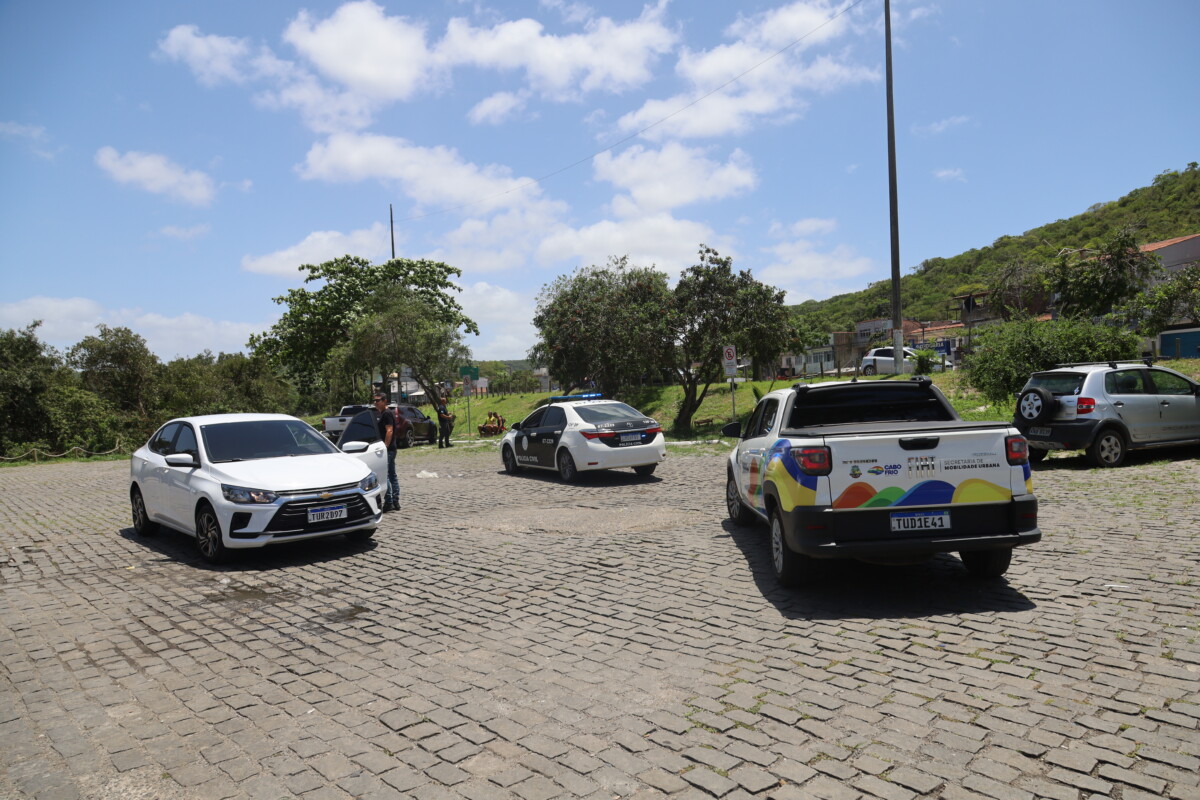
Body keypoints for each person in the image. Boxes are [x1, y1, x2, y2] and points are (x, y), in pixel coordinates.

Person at [373, 395, 400, 512]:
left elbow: (389, 430)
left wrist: (385, 446)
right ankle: (395, 501)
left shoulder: (386, 414)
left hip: (388, 450)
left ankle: (389, 501)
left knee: (387, 475)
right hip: (391, 449)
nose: (375, 403)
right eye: (374, 400)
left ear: (385, 401)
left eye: (378, 400)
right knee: (392, 475)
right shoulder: (383, 413)